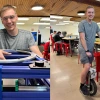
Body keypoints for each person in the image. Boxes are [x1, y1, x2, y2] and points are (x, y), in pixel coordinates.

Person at [0, 5, 43, 85]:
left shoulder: (27, 35)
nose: (9, 21)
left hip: (22, 77)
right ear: (2, 21)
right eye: (5, 18)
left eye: (11, 17)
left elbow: (38, 55)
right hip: (2, 77)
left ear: (16, 17)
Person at [78, 6, 100, 95]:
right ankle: (82, 85)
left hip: (90, 48)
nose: (91, 14)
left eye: (92, 12)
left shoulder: (95, 24)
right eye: (89, 12)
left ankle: (87, 78)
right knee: (87, 66)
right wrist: (86, 50)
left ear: (94, 14)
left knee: (89, 66)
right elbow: (82, 38)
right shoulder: (82, 23)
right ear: (86, 14)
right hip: (84, 48)